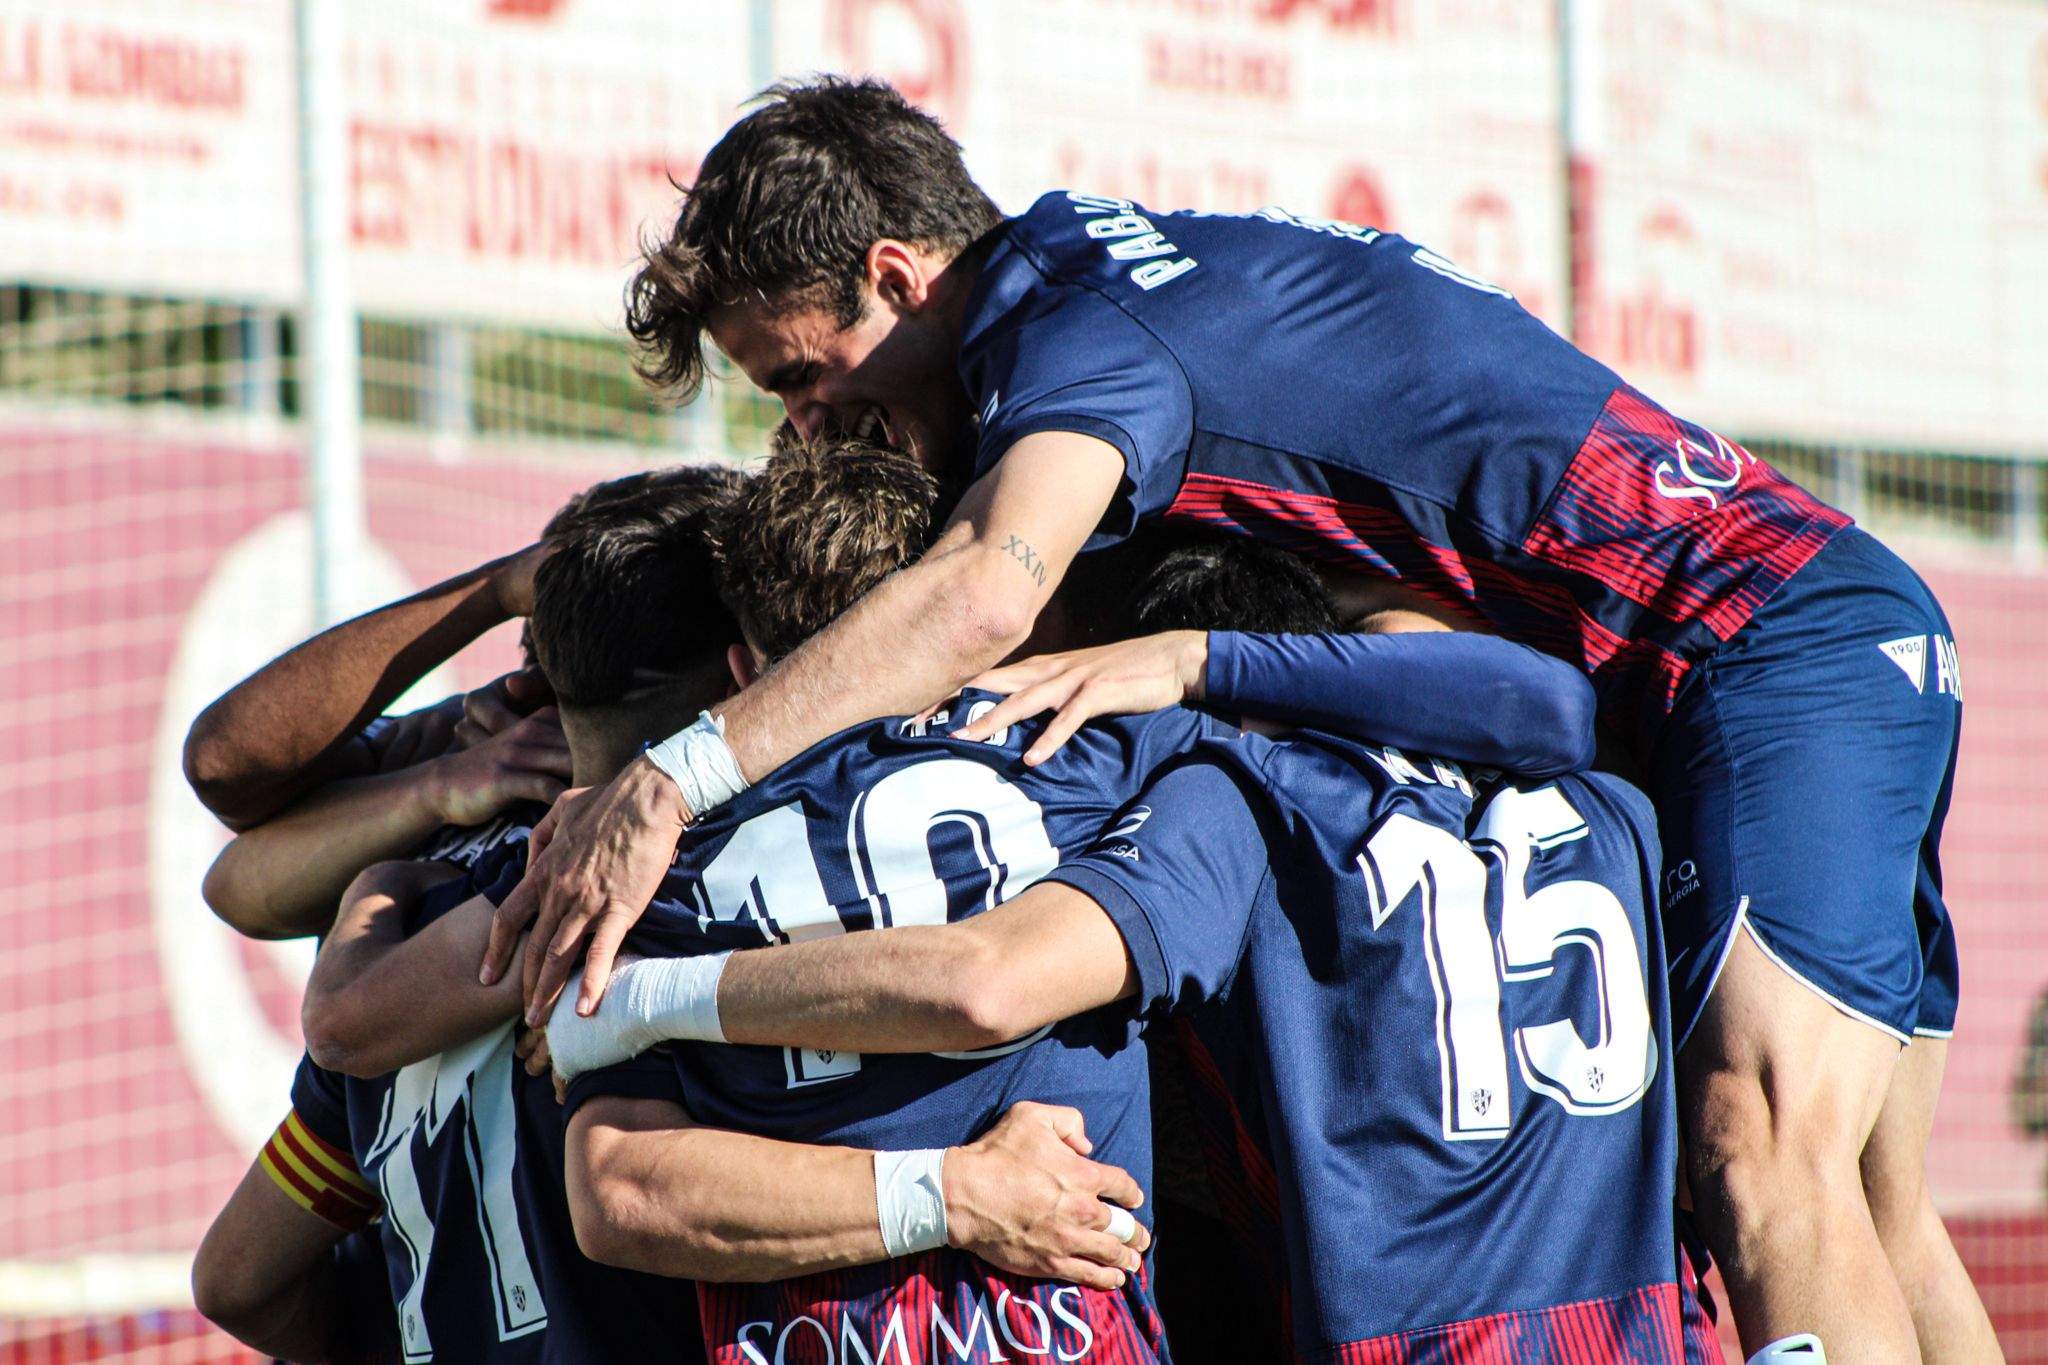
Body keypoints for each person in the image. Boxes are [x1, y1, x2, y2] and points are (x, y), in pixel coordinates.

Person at [494, 77, 1989, 1364]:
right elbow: (1522, 683)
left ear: (895, 275)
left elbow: (981, 594)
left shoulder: (1069, 341)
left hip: (1749, 637)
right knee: (1869, 1192)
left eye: (804, 381)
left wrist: (675, 779)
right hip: (1796, 624)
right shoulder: (1115, 271)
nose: (809, 428)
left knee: (1758, 1141)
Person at [544, 538, 1722, 1362]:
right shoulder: (1608, 802)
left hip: (1408, 1331)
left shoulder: (1235, 795)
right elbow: (1544, 698)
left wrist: (648, 1000)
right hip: (1648, 1317)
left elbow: (989, 982)